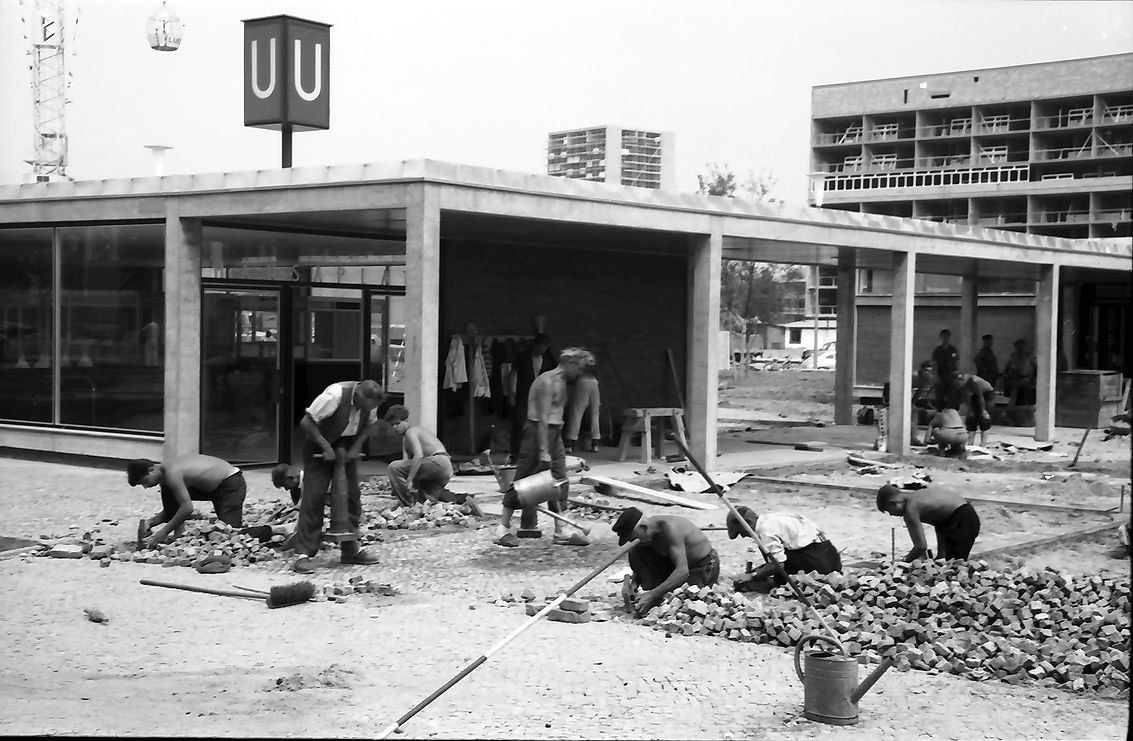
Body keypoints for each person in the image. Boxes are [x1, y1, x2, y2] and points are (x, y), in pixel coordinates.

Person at [495, 347, 594, 548]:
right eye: (579, 368)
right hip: (537, 434)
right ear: (570, 364)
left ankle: (560, 530)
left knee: (559, 480)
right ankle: (502, 529)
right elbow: (541, 419)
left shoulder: (563, 382)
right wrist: (543, 450)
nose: (580, 374)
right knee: (523, 481)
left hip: (554, 433)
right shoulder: (547, 382)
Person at [289, 379, 384, 573]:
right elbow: (306, 422)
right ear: (358, 395)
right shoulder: (334, 396)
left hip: (346, 445)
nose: (369, 409)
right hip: (318, 443)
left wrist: (356, 448)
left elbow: (369, 426)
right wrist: (325, 447)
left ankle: (349, 549)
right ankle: (304, 554)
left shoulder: (371, 403)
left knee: (351, 498)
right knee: (313, 498)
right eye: (366, 406)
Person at [612, 506, 719, 615]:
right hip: (674, 564)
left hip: (703, 565)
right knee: (636, 549)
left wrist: (653, 594)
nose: (633, 541)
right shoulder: (649, 534)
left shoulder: (671, 530)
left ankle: (660, 593)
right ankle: (658, 591)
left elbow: (683, 572)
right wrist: (634, 584)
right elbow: (640, 561)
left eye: (633, 538)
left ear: (643, 527)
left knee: (683, 602)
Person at [127, 454, 247, 550]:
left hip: (230, 484)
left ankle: (262, 533)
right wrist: (150, 523)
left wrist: (163, 532)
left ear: (151, 470)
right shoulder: (165, 475)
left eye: (144, 481)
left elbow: (187, 508)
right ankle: (179, 535)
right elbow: (171, 509)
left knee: (230, 533)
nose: (146, 487)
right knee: (169, 491)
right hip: (210, 486)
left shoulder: (172, 473)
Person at [725, 506, 841, 592]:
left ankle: (779, 583)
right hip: (829, 554)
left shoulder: (766, 531)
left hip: (819, 562)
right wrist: (756, 572)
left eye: (741, 532)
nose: (744, 536)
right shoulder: (769, 519)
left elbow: (778, 564)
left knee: (767, 554)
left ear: (748, 523)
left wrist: (752, 576)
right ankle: (776, 580)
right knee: (768, 558)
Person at [877, 483, 981, 561]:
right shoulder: (917, 496)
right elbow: (941, 523)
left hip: (963, 520)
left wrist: (903, 561)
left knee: (956, 565)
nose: (891, 514)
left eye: (888, 510)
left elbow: (921, 547)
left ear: (893, 503)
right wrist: (941, 555)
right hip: (963, 515)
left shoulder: (910, 510)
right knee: (948, 563)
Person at [384, 404, 455, 506]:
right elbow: (410, 465)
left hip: (438, 462)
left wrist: (409, 480)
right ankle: (463, 502)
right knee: (424, 502)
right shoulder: (408, 438)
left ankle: (408, 504)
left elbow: (418, 456)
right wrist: (399, 485)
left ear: (406, 420)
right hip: (445, 470)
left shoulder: (411, 432)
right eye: (392, 425)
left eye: (397, 423)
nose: (395, 427)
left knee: (393, 467)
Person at [508, 333, 556, 461]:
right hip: (524, 394)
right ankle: (516, 454)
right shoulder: (522, 357)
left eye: (545, 347)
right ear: (535, 345)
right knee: (520, 423)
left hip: (542, 395)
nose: (543, 349)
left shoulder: (549, 359)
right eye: (541, 346)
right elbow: (513, 375)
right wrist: (511, 393)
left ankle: (539, 453)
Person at [564, 369, 602, 454]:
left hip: (582, 380)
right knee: (595, 413)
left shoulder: (574, 358)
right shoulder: (591, 358)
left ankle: (570, 444)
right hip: (594, 381)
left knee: (576, 413)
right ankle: (595, 443)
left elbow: (571, 375)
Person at [1003, 339, 1037, 406]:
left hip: (1026, 380)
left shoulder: (1030, 356)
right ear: (1016, 347)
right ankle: (1012, 411)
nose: (1020, 348)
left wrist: (1033, 378)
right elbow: (1007, 367)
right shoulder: (1013, 356)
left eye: (1022, 346)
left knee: (1026, 398)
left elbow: (1035, 367)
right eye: (1018, 346)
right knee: (1014, 398)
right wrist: (1006, 376)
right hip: (1015, 379)